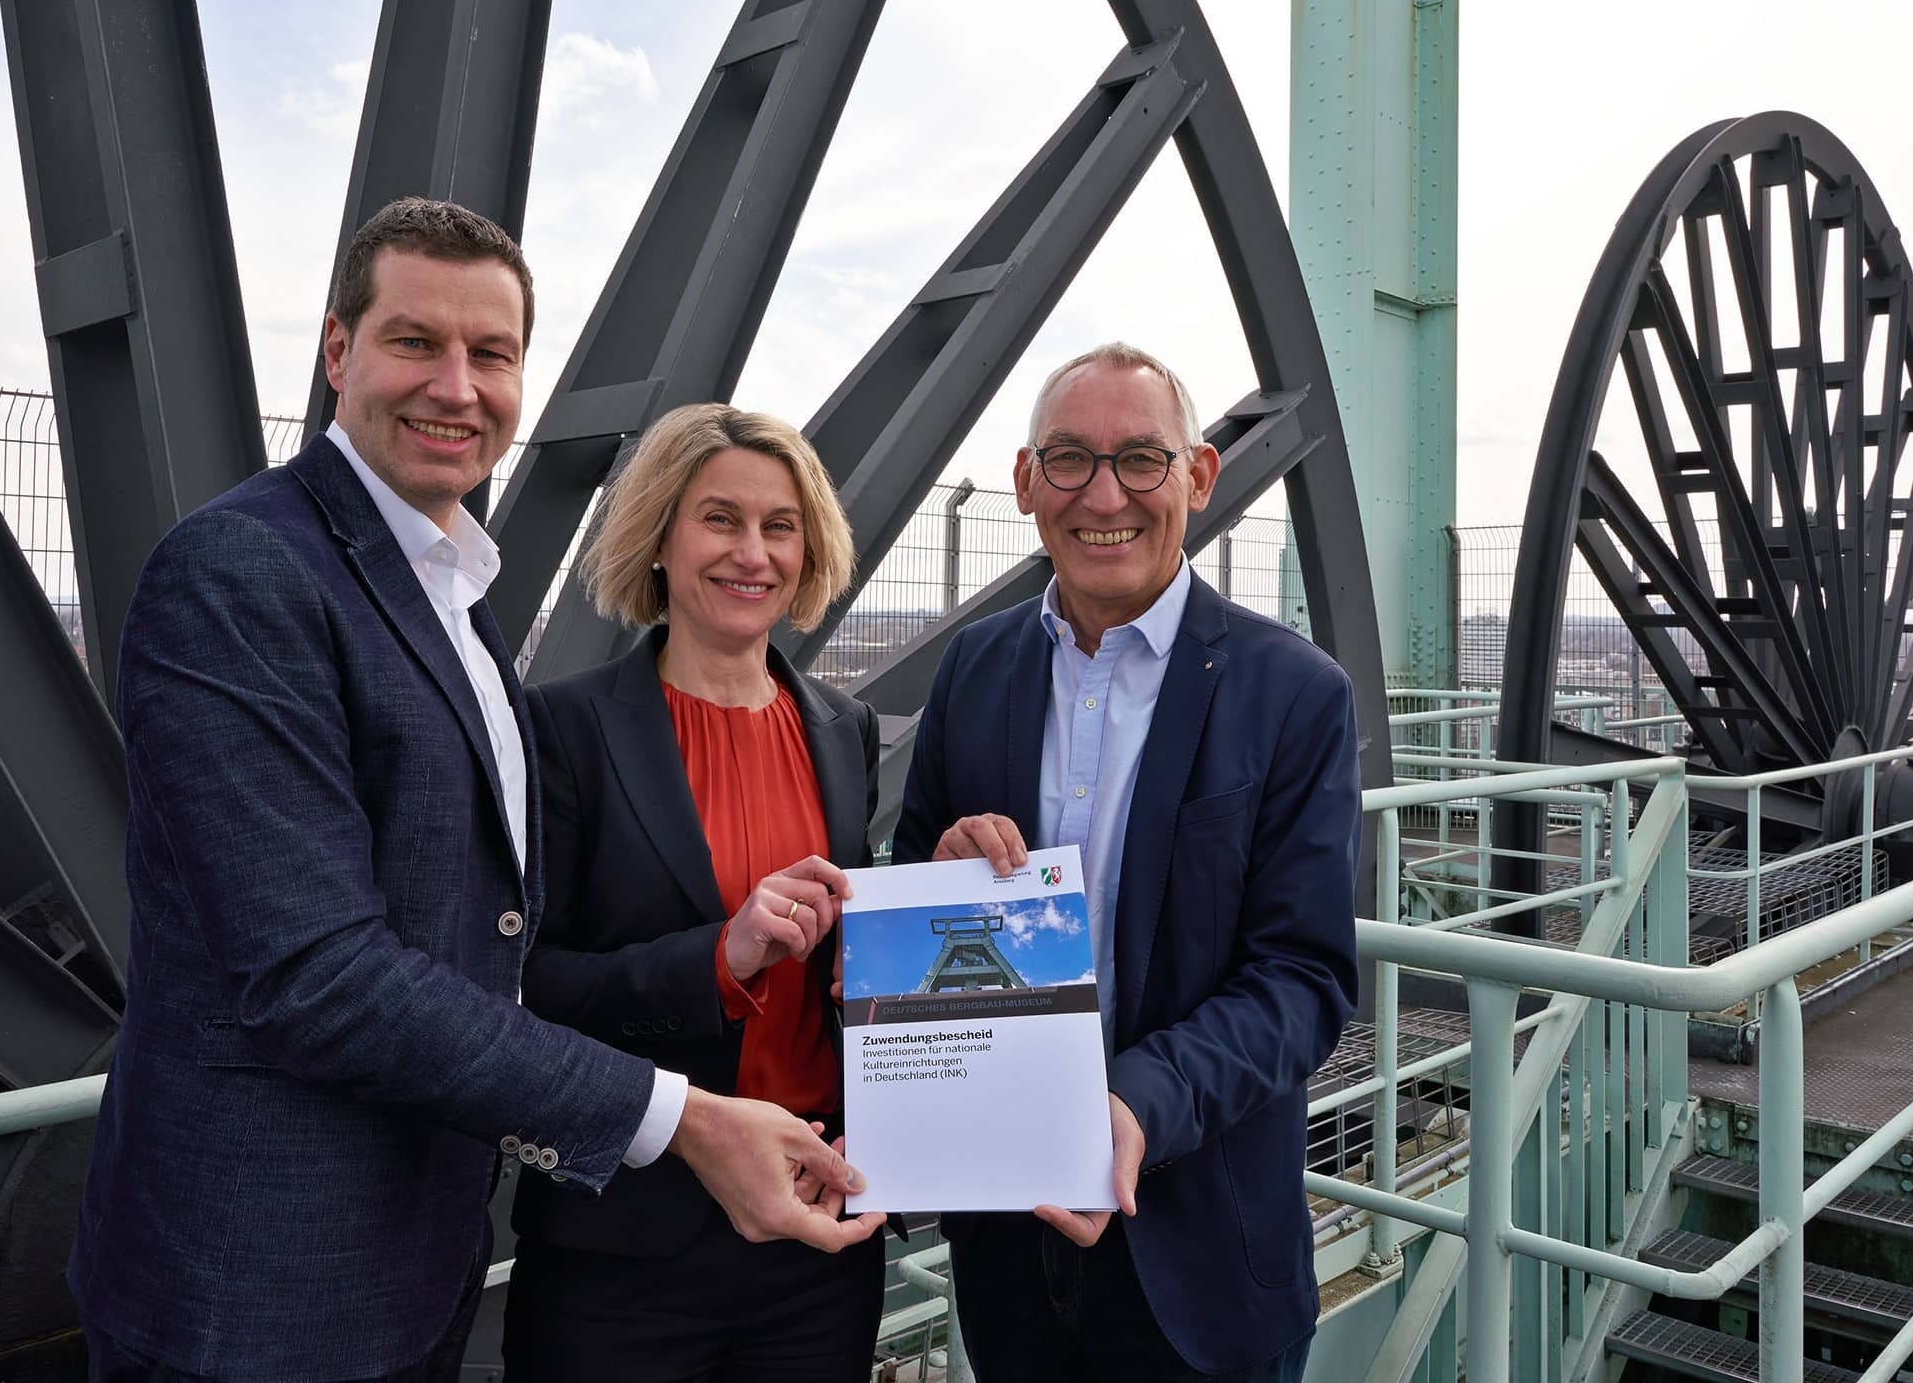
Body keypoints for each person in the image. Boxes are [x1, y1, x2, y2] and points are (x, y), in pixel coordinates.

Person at [67, 200, 878, 1383]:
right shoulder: (242, 570)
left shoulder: (452, 600)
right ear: (338, 351)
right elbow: (316, 974)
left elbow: (470, 942)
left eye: (491, 355)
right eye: (415, 343)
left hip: (416, 1249)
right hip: (258, 1288)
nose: (457, 386)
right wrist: (685, 1106)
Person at [894, 342, 1360, 1382]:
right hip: (1009, 1232)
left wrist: (1135, 1104)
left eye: (1141, 459)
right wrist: (941, 864)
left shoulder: (1294, 693)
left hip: (1197, 1250)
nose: (1104, 493)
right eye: (1068, 459)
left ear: (1197, 476)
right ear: (1024, 483)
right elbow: (910, 876)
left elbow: (1304, 979)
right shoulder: (975, 667)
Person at [502, 403, 887, 1380]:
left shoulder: (845, 731)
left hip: (815, 1229)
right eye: (720, 518)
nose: (751, 551)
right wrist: (720, 959)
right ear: (661, 537)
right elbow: (527, 986)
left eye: (779, 524)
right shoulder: (563, 731)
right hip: (626, 1245)